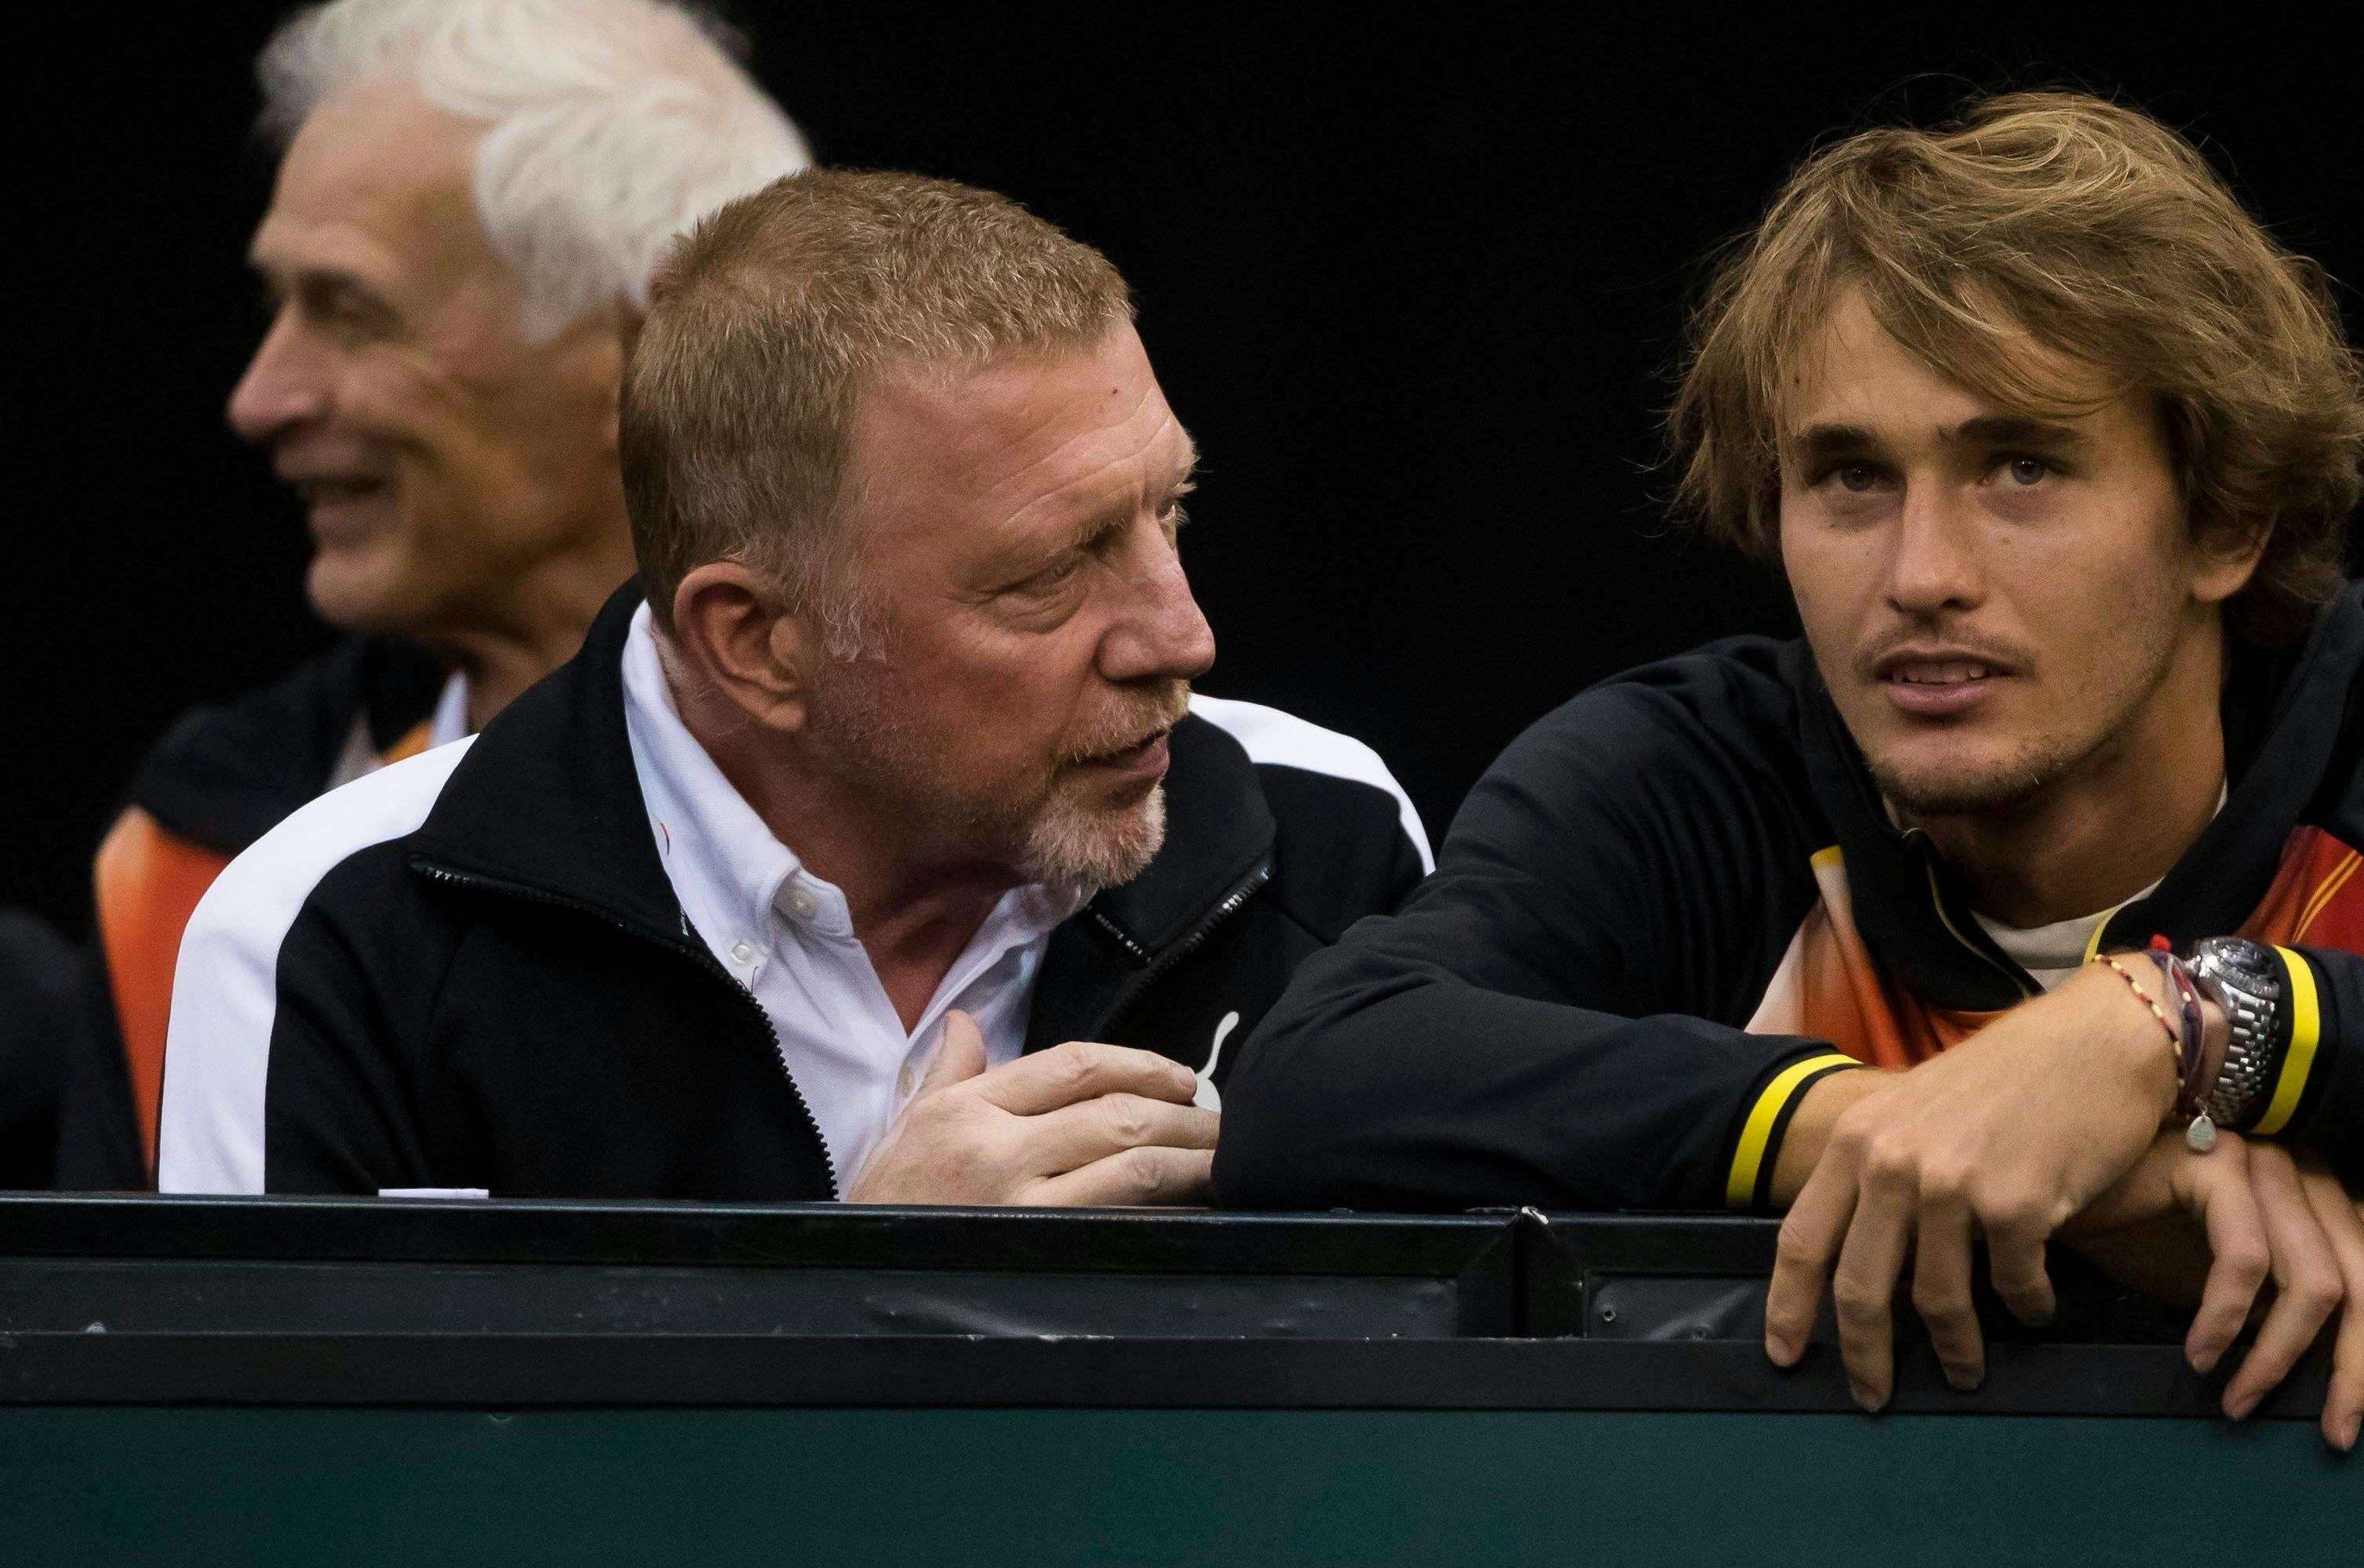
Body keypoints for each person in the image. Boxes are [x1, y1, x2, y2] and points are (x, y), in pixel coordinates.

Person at [1216, 92, 2364, 1447]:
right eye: (1848, 479)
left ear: (2225, 520)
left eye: (2020, 467)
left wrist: (2181, 1026)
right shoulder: (1695, 765)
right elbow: (1323, 1082)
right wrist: (1894, 1130)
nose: (1920, 575)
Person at [154, 169, 1428, 1203]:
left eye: (1170, 511)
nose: (1183, 636)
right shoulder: (327, 942)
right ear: (755, 641)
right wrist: (861, 1308)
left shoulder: (1324, 837)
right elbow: (296, 1461)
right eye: (1052, 573)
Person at [60, 0, 808, 1187]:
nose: (261, 400)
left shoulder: (977, 811)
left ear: (652, 351)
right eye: (276, 309)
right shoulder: (199, 861)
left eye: (350, 313)